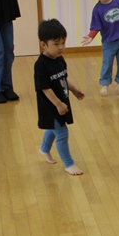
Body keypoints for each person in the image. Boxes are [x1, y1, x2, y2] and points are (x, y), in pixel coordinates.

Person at [35, 19, 86, 176]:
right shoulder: (41, 65)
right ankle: (69, 164)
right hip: (50, 105)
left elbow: (63, 78)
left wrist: (74, 89)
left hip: (61, 102)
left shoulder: (59, 59)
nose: (61, 47)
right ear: (43, 44)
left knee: (54, 127)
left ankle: (44, 149)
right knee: (62, 133)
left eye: (63, 42)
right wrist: (58, 104)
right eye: (56, 44)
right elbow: (45, 88)